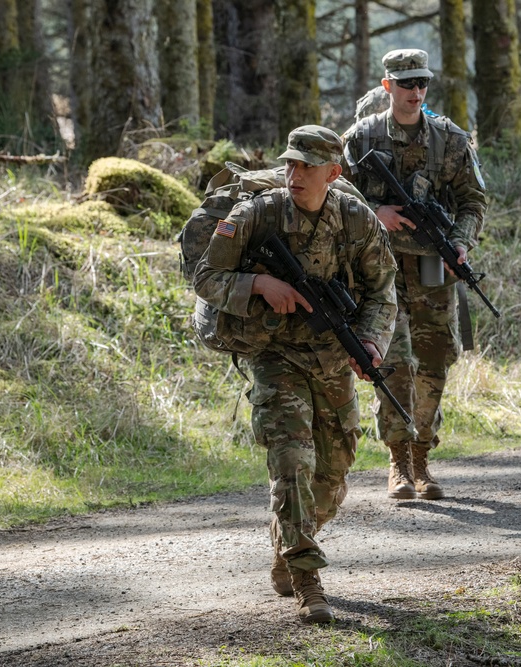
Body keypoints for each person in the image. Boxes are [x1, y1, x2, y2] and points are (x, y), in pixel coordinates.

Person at [193, 125, 397, 624]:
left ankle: (288, 540)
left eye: (307, 166)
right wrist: (259, 283)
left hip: (330, 357)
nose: (295, 173)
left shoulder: (356, 220)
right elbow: (205, 278)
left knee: (332, 476)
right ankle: (308, 579)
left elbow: (382, 291)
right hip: (273, 352)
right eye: (290, 163)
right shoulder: (255, 214)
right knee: (292, 461)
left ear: (334, 172)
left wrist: (370, 342)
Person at [341, 48, 487, 501]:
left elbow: (473, 202)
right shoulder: (361, 138)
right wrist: (374, 212)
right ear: (387, 86)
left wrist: (460, 244)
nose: (415, 92)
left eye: (422, 83)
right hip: (378, 267)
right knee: (393, 362)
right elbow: (332, 198)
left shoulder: (450, 139)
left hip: (431, 267)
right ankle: (400, 460)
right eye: (406, 84)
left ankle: (423, 454)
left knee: (436, 360)